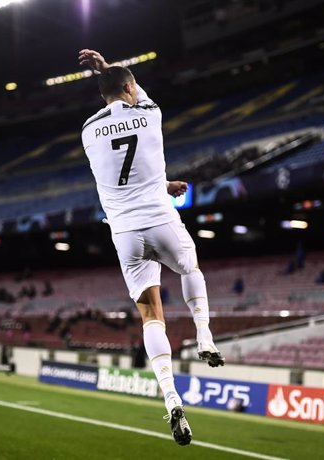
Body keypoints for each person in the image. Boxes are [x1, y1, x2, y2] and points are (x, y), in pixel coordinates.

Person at [79, 49, 223, 446]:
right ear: (129, 88)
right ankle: (204, 335)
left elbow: (119, 178)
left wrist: (161, 184)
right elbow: (135, 112)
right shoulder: (150, 112)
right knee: (190, 269)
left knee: (150, 316)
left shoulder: (88, 131)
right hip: (160, 221)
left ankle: (171, 399)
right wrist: (110, 69)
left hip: (125, 234)